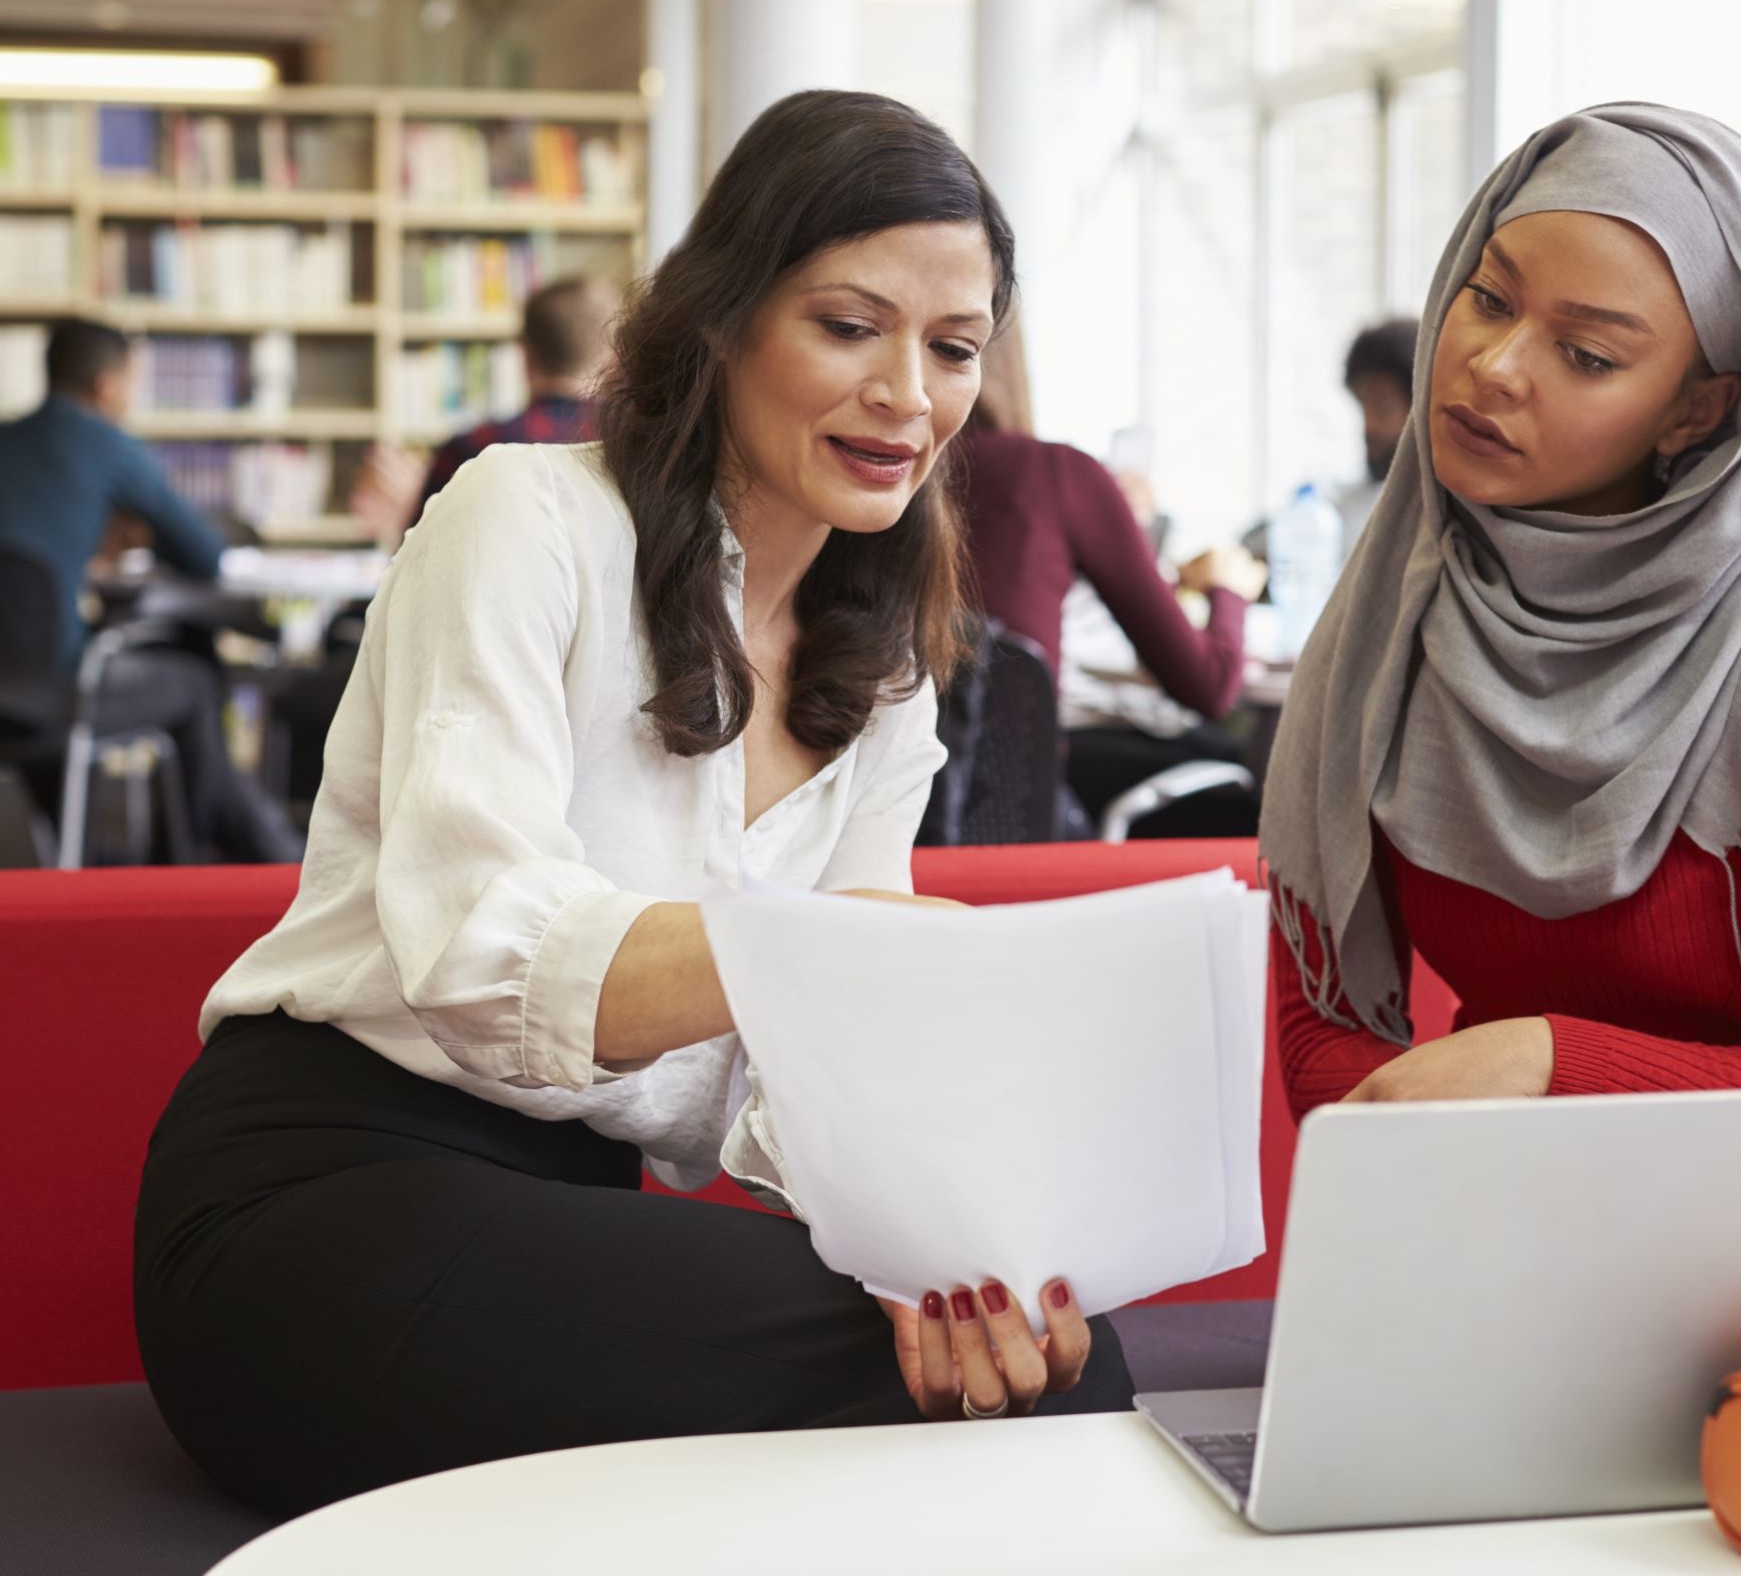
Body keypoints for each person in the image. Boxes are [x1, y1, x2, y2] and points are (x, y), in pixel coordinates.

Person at [133, 90, 1131, 1518]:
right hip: (318, 1196)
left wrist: (947, 1250)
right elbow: (480, 954)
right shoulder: (525, 518)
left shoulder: (888, 673)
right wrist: (834, 950)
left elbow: (821, 1086)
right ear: (722, 322)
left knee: (1044, 1361)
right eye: (849, 327)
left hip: (555, 1217)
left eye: (954, 348)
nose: (910, 394)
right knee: (1022, 1401)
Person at [1261, 105, 1741, 1126]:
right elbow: (1316, 1021)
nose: (1493, 366)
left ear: (1697, 410)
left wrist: (1544, 1061)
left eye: (1584, 355)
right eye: (1487, 298)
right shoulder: (1396, 617)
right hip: (1480, 1212)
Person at [0, 318, 302, 865]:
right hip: (45, 692)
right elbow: (204, 555)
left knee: (78, 654)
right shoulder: (103, 444)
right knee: (195, 680)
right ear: (108, 386)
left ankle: (105, 854)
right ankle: (209, 860)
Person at [953, 321, 1266, 836]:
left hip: (897, 823)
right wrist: (1228, 589)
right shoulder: (1057, 475)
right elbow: (1211, 685)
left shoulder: (873, 480)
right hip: (1019, 829)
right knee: (1235, 777)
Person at [348, 276, 620, 544]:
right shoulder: (629, 446)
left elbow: (424, 561)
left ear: (525, 354)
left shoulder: (471, 451)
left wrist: (407, 510)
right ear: (614, 357)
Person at [1241, 318, 1416, 561]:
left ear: (1420, 408)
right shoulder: (1339, 501)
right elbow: (1252, 547)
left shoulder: (1432, 515)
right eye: (1362, 407)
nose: (1368, 426)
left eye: (1384, 408)